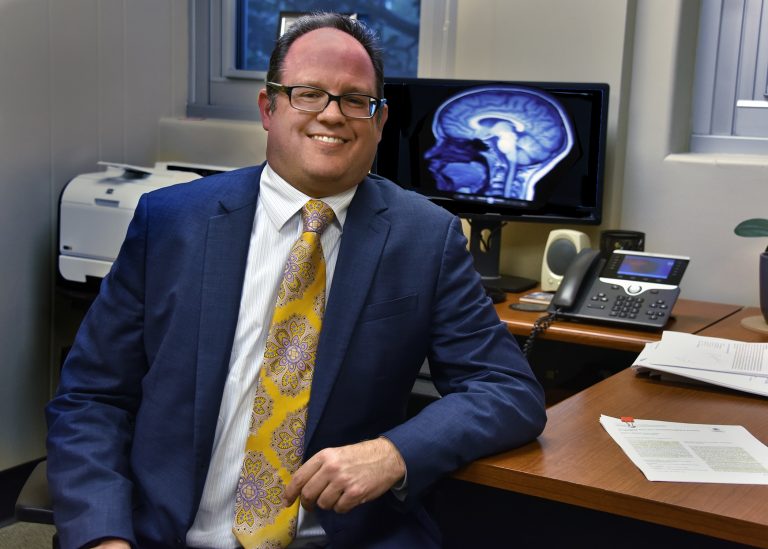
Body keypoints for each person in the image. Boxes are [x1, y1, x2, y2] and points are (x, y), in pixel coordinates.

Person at [46, 12, 546, 549]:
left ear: (379, 121)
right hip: (170, 536)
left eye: (355, 100)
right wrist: (104, 538)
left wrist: (394, 452)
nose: (332, 114)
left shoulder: (427, 238)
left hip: (339, 538)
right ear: (269, 107)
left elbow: (508, 390)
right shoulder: (170, 222)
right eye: (308, 94)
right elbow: (91, 398)